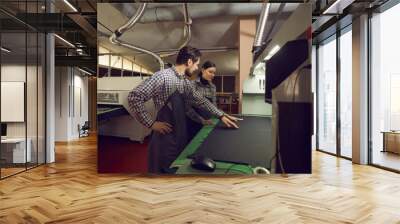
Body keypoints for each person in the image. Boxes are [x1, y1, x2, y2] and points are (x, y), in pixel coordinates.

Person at [128, 46, 239, 173]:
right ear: (189, 62)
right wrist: (151, 123)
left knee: (176, 170)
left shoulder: (184, 82)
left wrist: (221, 115)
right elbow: (134, 97)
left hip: (180, 134)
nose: (197, 68)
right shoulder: (163, 77)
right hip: (165, 138)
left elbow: (201, 100)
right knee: (162, 174)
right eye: (196, 64)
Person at [186, 61, 218, 142]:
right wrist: (201, 120)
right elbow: (187, 107)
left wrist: (217, 116)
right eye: (210, 72)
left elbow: (213, 104)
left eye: (214, 73)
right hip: (194, 122)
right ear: (203, 70)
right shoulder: (192, 84)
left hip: (208, 121)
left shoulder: (213, 87)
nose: (213, 75)